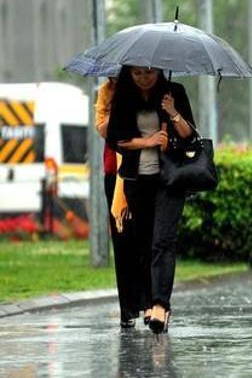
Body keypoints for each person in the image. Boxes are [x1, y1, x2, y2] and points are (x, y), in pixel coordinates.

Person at [106, 66, 195, 334]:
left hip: (169, 181)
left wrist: (173, 113)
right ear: (128, 75)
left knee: (163, 241)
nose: (144, 78)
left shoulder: (174, 92)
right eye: (137, 73)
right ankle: (147, 301)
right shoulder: (123, 98)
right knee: (143, 242)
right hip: (137, 182)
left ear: (159, 71)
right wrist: (148, 142)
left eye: (149, 72)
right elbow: (115, 140)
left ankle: (160, 306)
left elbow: (190, 136)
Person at [95, 77, 150, 329]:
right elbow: (103, 128)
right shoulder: (106, 92)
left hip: (146, 170)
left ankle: (150, 304)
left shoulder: (148, 90)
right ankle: (127, 308)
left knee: (145, 239)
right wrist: (121, 113)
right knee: (122, 240)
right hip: (114, 173)